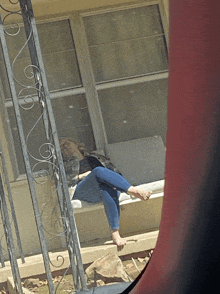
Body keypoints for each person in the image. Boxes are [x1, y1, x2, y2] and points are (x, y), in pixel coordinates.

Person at [60, 138, 152, 246]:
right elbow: (60, 182)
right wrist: (81, 176)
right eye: (62, 147)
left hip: (100, 189)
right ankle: (132, 190)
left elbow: (114, 172)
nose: (66, 147)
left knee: (108, 188)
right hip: (81, 190)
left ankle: (115, 234)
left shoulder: (95, 157)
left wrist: (120, 183)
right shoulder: (63, 164)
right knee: (98, 170)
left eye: (67, 144)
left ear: (75, 143)